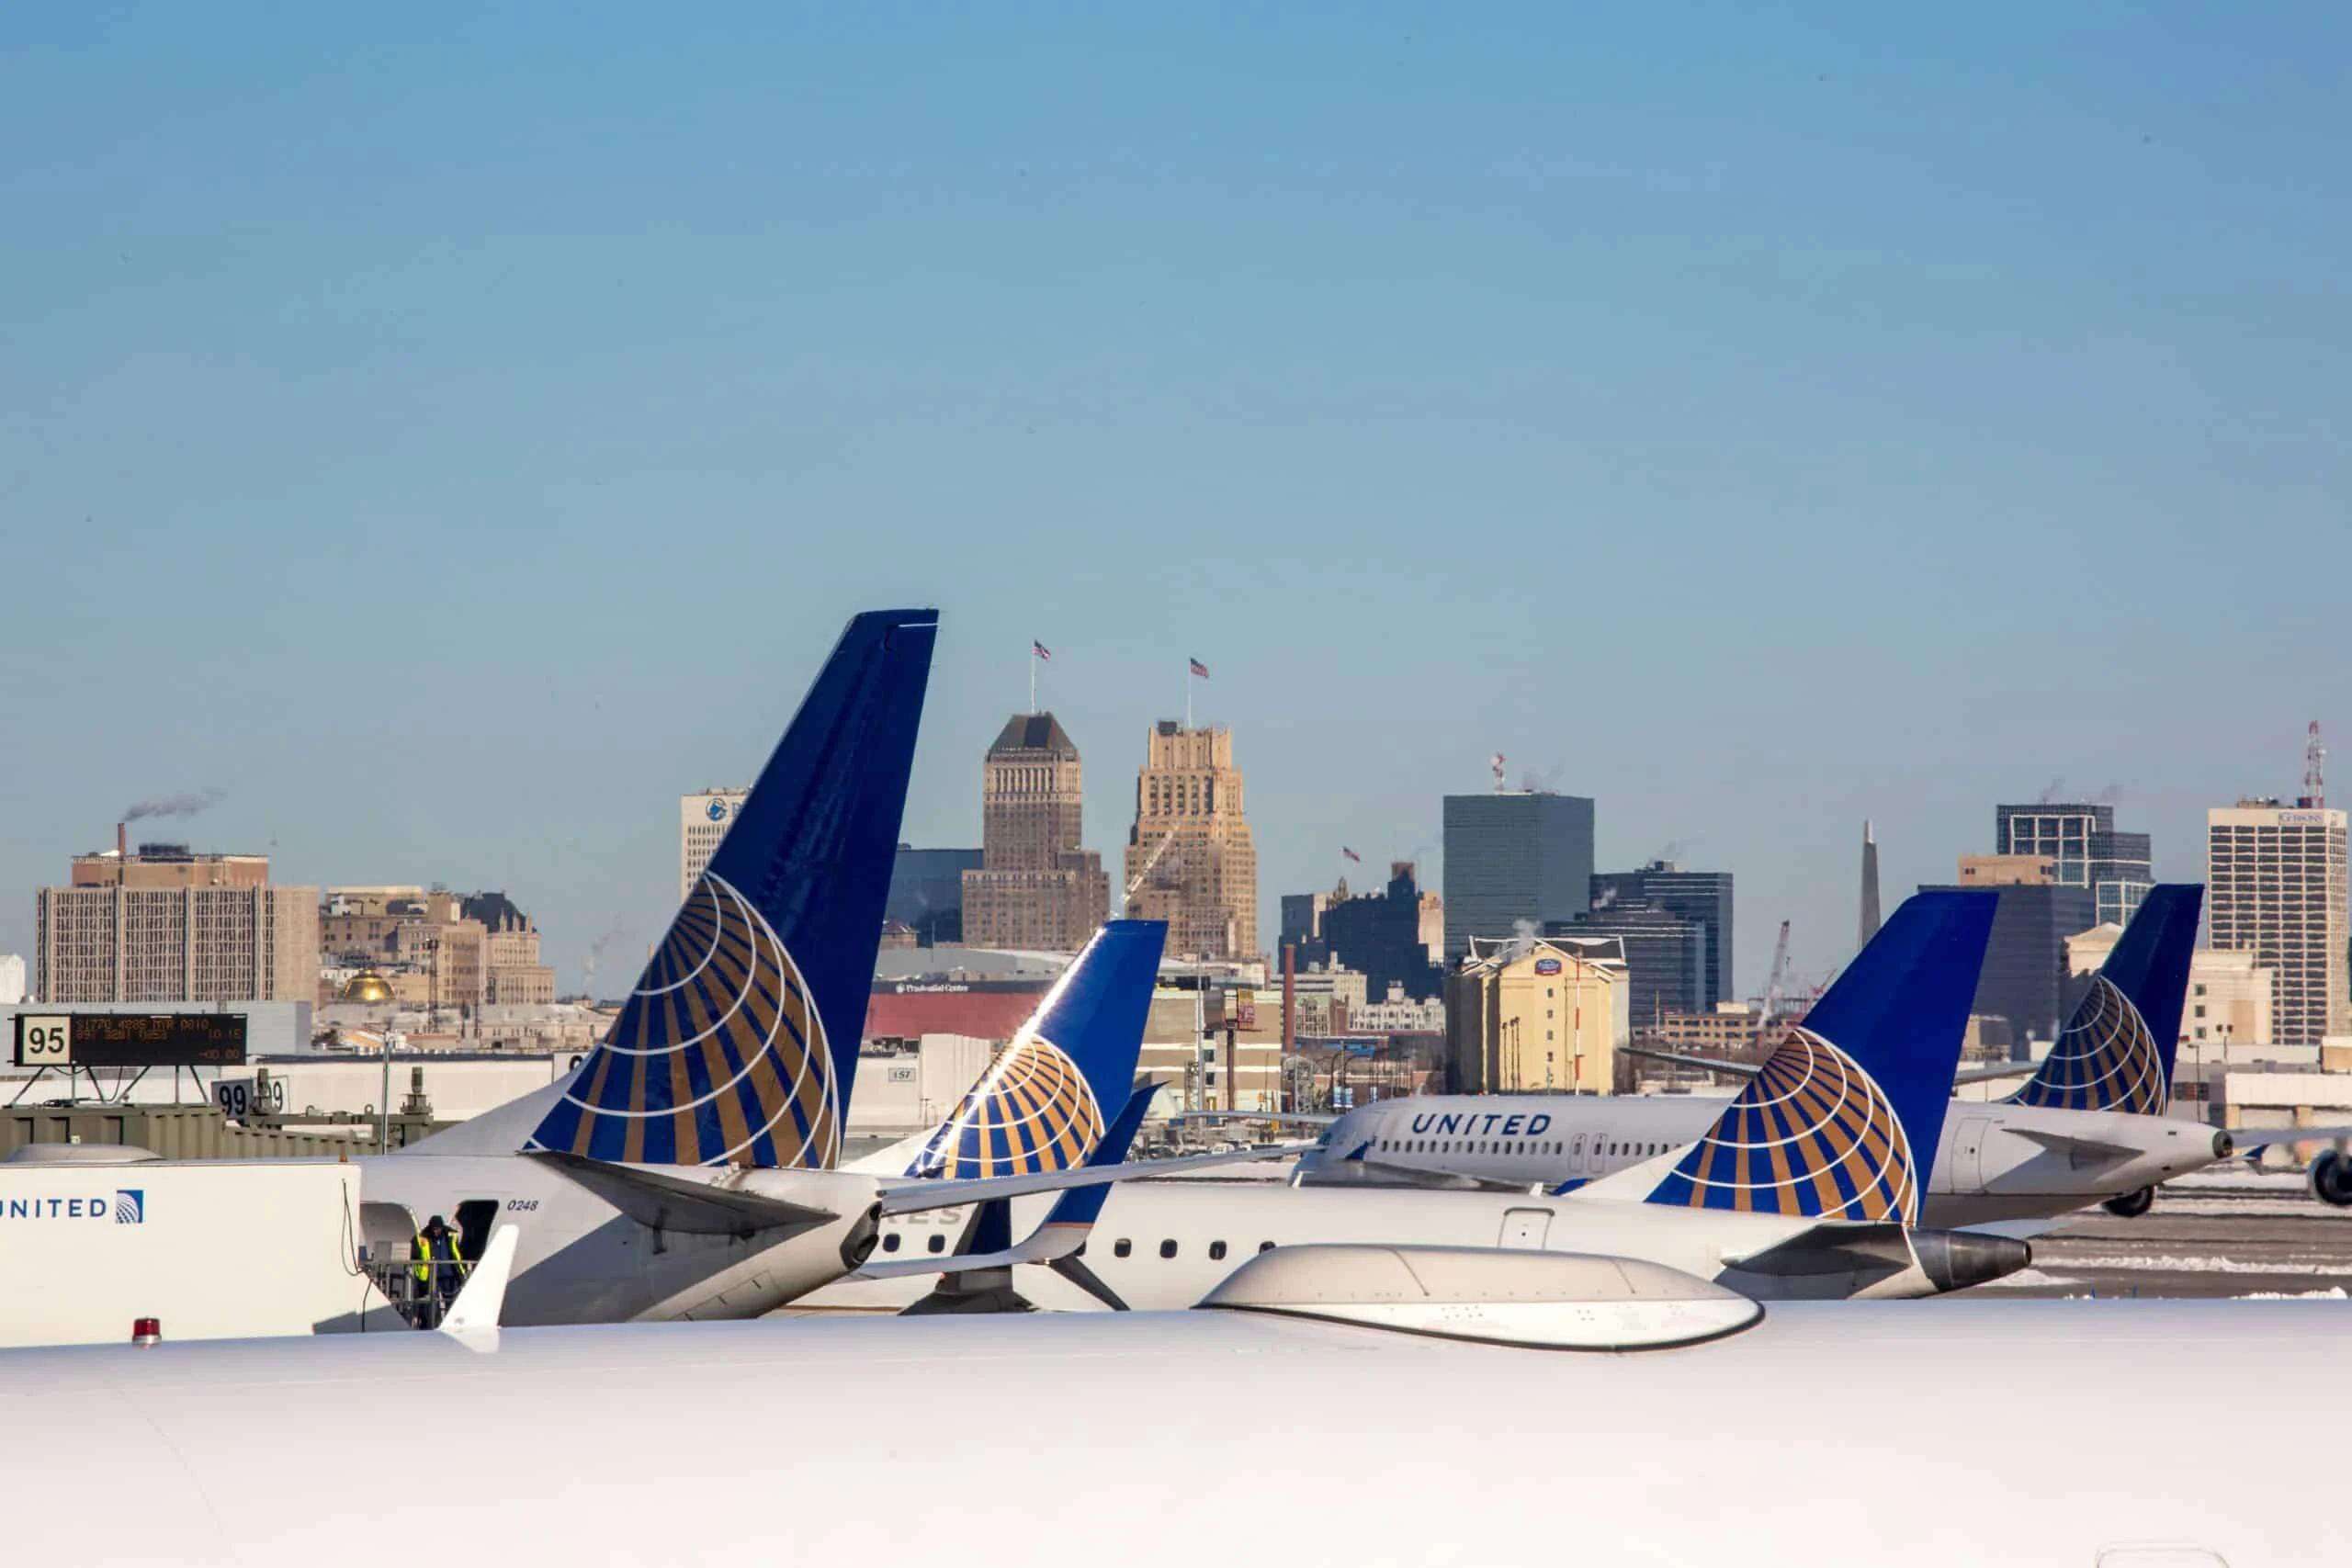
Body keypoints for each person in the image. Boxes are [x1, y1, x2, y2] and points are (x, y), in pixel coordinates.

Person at [409, 1215, 469, 1328]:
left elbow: (457, 1254)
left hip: (450, 1275)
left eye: (438, 1229)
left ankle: (452, 1326)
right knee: (432, 1306)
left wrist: (462, 1274)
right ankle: (433, 1326)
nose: (436, 1231)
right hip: (431, 1277)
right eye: (434, 1229)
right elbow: (414, 1255)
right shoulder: (422, 1238)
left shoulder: (450, 1236)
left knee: (451, 1304)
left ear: (442, 1227)